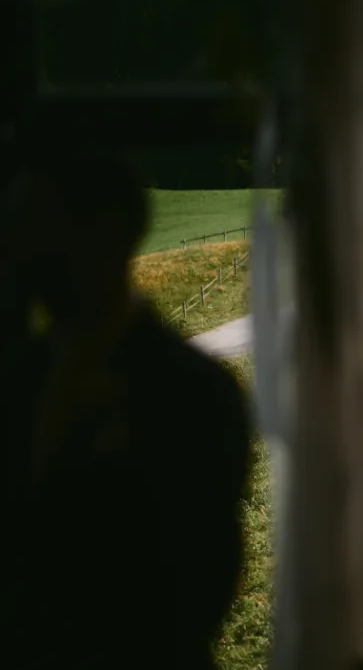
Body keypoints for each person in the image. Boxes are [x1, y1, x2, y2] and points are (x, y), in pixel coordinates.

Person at [1, 147, 255, 669]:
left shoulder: (199, 394)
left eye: (44, 229)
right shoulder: (18, 382)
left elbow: (207, 579)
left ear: (109, 235)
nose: (20, 249)